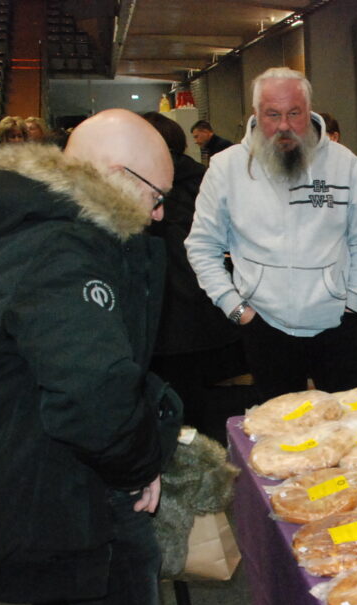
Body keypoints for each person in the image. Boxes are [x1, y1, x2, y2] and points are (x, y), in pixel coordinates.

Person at [0, 109, 182, 605]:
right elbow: (92, 394)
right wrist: (138, 464)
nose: (159, 212)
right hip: (70, 496)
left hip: (27, 482)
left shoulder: (25, 228)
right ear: (116, 175)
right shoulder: (65, 250)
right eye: (156, 195)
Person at [186, 67, 357, 401]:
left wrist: (353, 302)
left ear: (309, 110)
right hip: (264, 326)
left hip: (336, 321)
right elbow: (202, 246)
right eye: (272, 114)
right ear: (255, 114)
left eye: (294, 113)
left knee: (353, 422)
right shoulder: (226, 167)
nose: (283, 126)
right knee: (278, 427)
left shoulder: (343, 163)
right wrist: (237, 309)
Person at [141, 111, 243, 439]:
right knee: (202, 403)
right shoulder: (203, 179)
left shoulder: (143, 185)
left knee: (165, 406)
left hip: (161, 314)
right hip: (205, 308)